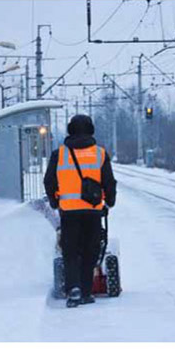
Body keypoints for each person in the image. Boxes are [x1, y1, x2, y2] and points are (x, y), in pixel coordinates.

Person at [44, 114, 117, 308]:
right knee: (90, 250)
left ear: (69, 130)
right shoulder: (100, 154)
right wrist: (109, 201)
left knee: (70, 251)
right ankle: (86, 291)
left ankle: (73, 289)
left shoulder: (59, 154)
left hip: (68, 212)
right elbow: (109, 181)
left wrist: (54, 201)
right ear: (91, 130)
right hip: (93, 211)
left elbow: (49, 181)